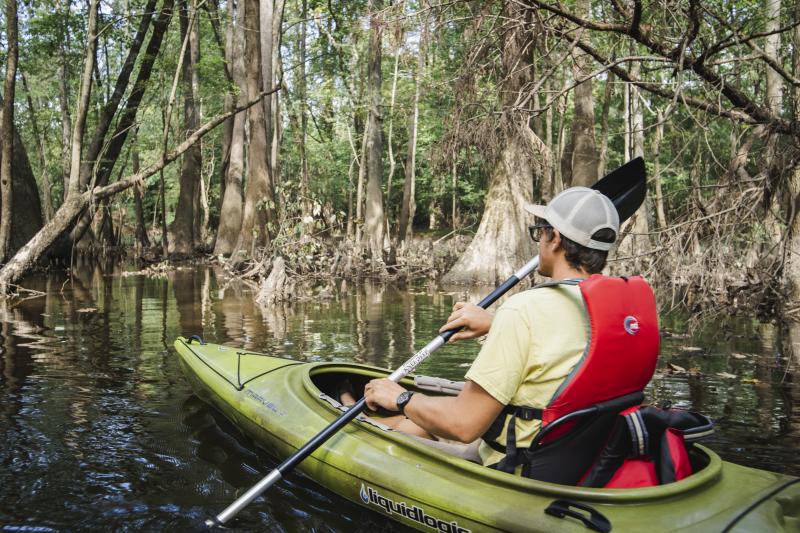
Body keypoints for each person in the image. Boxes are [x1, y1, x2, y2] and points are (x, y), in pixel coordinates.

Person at [361, 186, 625, 469]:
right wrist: (496, 324)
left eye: (540, 231)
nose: (538, 241)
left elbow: (463, 425)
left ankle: (362, 412)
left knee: (404, 421)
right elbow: (567, 341)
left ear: (555, 239)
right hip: (576, 455)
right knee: (413, 422)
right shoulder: (615, 309)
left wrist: (398, 396)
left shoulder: (523, 310)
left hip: (519, 465)